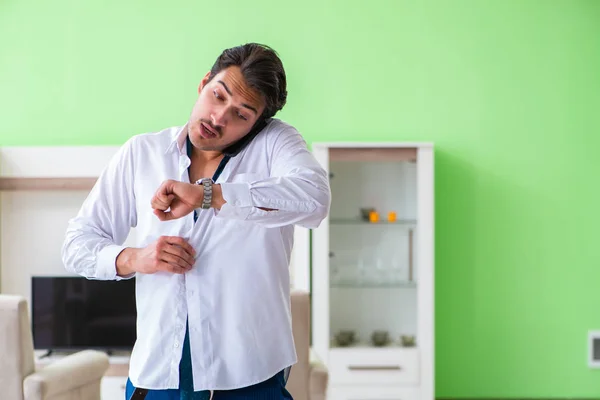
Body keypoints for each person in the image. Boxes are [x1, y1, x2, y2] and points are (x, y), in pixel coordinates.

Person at [61, 43, 331, 399]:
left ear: (258, 124)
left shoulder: (275, 143)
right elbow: (77, 244)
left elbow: (314, 197)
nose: (219, 118)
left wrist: (210, 194)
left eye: (241, 114)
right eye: (218, 96)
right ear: (204, 82)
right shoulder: (141, 153)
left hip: (250, 375)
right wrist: (137, 258)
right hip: (158, 376)